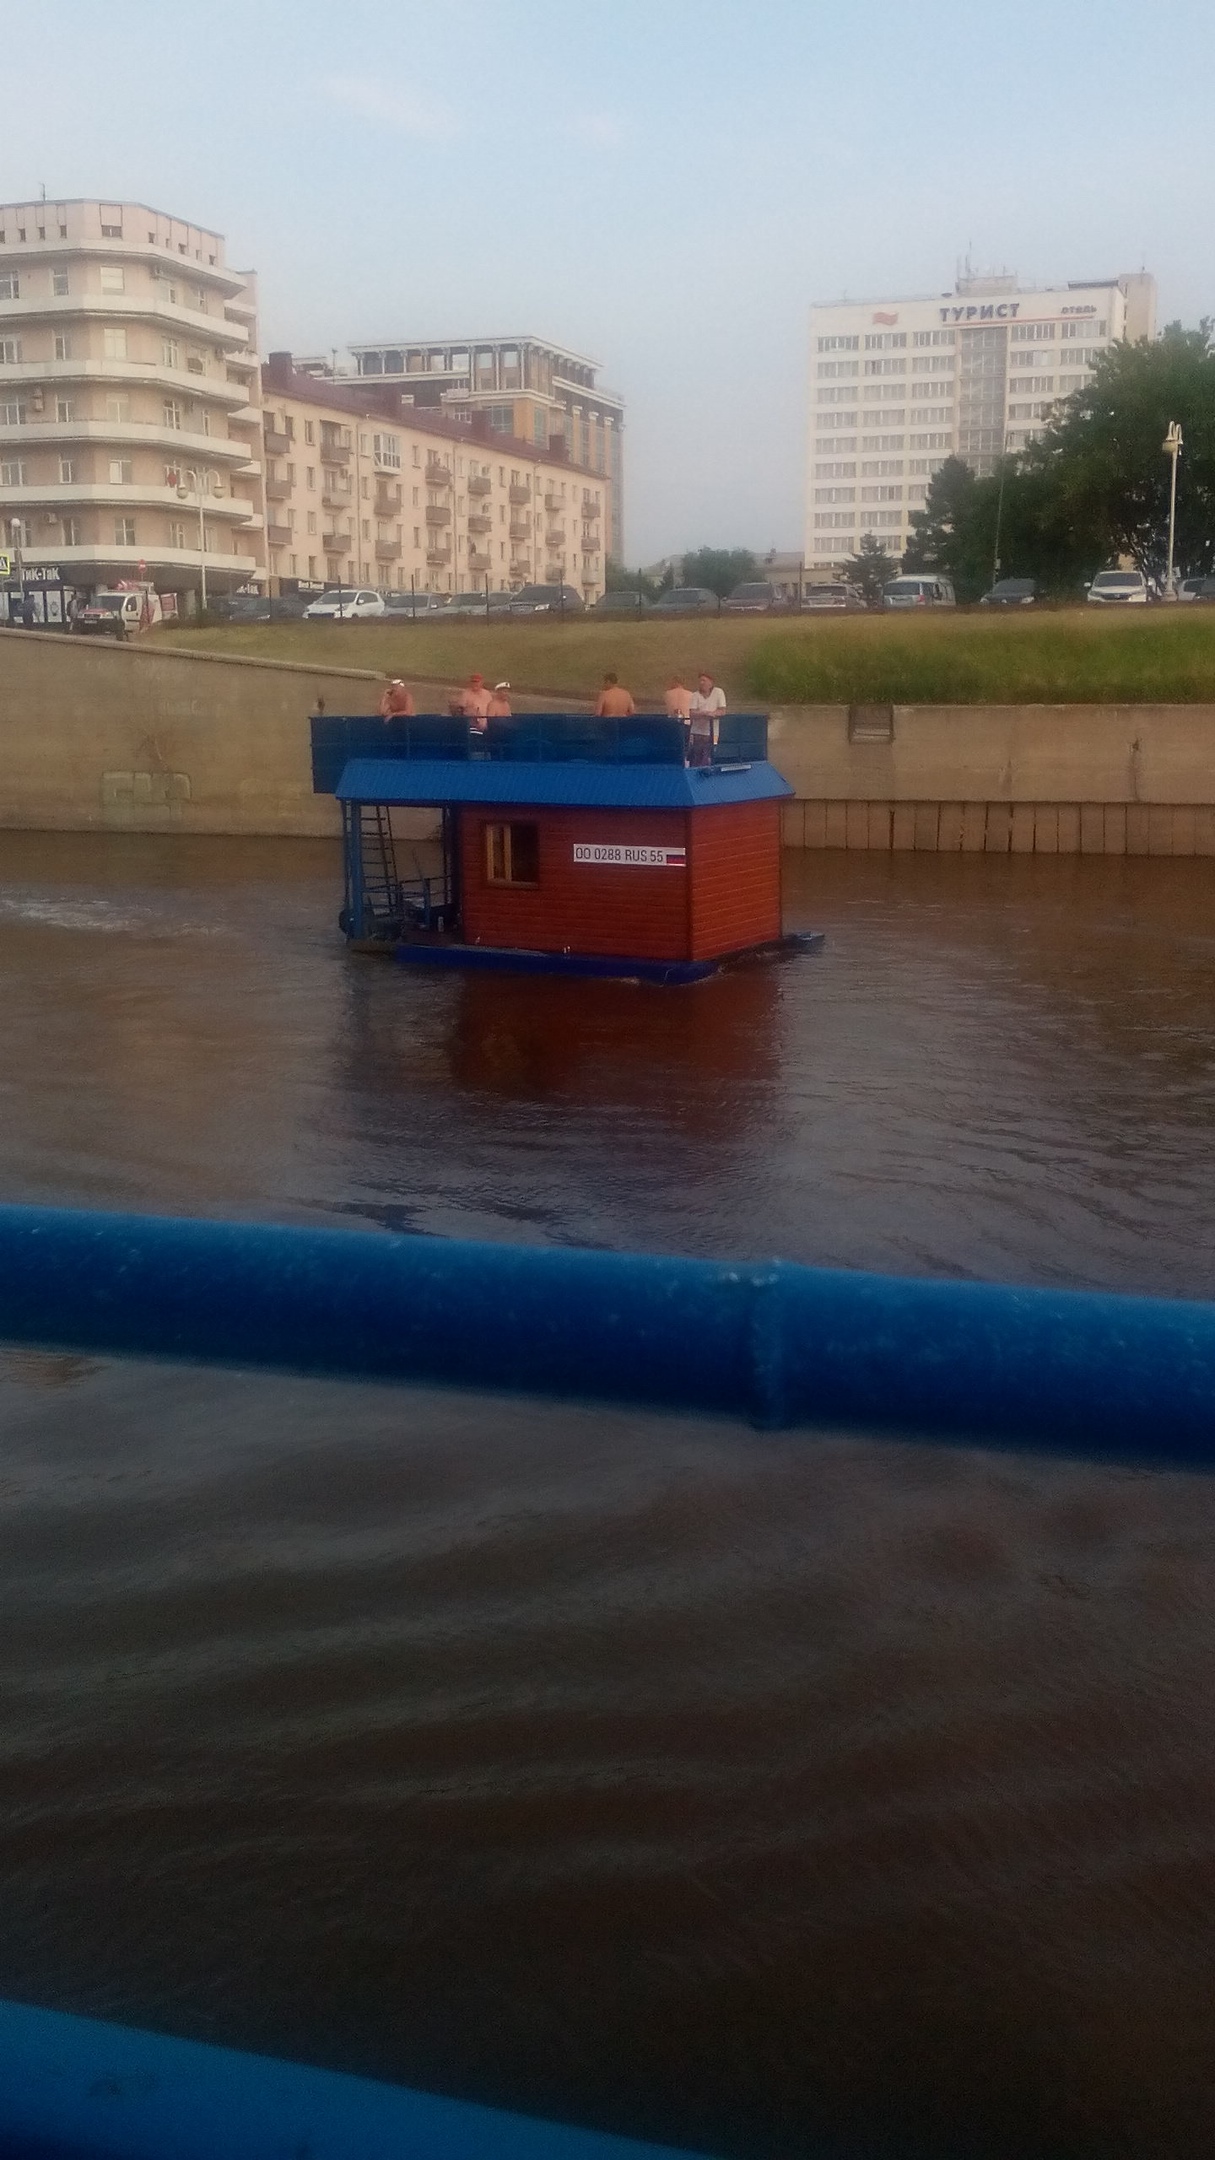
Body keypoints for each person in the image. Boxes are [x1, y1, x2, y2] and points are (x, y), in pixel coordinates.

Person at [687, 671, 726, 766]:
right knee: (696, 757)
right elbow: (692, 713)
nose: (701, 683)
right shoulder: (695, 695)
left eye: (704, 680)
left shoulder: (718, 692)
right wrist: (704, 713)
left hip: (713, 732)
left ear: (710, 682)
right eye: (700, 681)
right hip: (697, 732)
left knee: (709, 756)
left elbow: (722, 710)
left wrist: (713, 714)